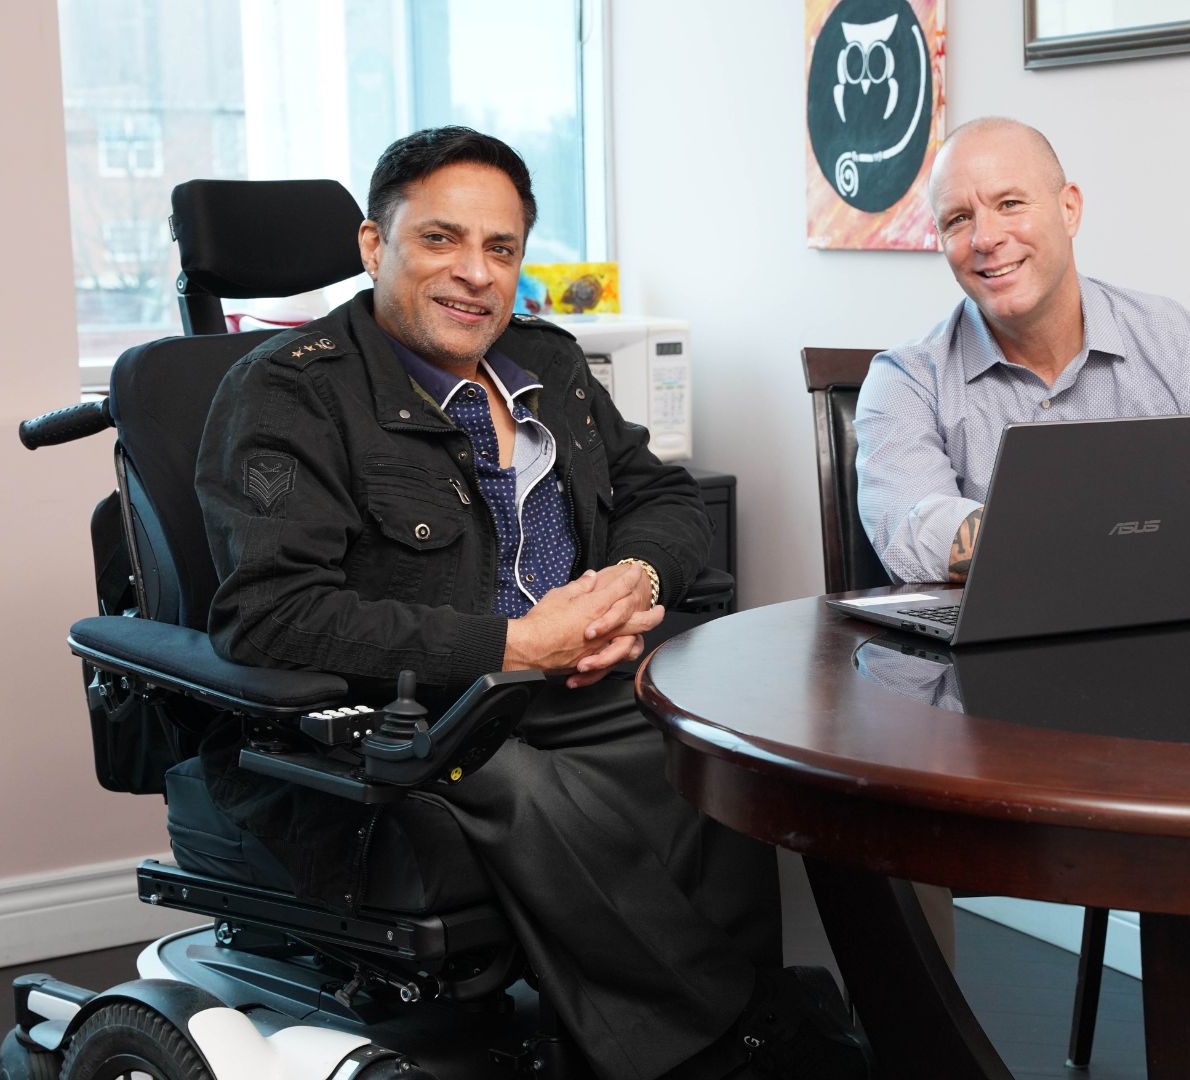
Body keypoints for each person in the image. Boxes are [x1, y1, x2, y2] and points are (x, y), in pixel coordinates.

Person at [195, 127, 867, 1080]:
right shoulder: (286, 395)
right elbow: (270, 616)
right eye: (440, 240)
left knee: (731, 731)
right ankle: (730, 1037)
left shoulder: (546, 365)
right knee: (518, 784)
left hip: (570, 680)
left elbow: (665, 499)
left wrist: (635, 581)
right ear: (372, 246)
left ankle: (748, 1009)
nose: (476, 274)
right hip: (416, 714)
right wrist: (514, 643)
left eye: (500, 249)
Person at [852, 116, 1190, 1080]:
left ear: (1068, 209)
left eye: (1009, 204)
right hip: (983, 715)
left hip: (1179, 705)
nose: (985, 236)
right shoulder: (907, 379)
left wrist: (1175, 545)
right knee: (881, 797)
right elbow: (908, 524)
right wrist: (1120, 535)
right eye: (957, 219)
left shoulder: (1180, 345)